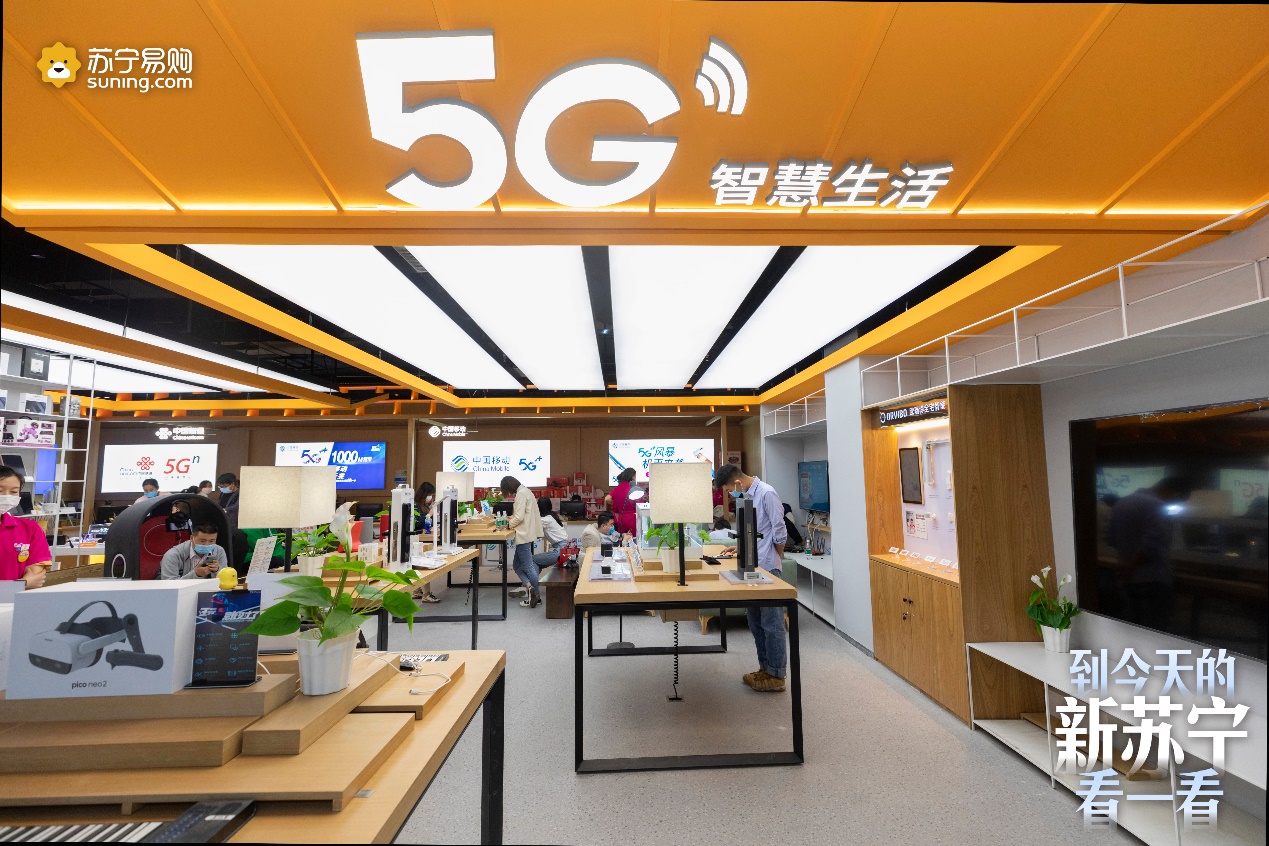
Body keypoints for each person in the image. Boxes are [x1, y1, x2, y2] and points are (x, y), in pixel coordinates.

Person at [714, 463, 788, 693]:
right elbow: (756, 532)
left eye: (729, 490)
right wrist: (740, 548)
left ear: (737, 483)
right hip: (751, 564)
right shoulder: (748, 496)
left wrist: (776, 555)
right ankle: (764, 668)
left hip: (767, 566)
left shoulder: (766, 493)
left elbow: (779, 530)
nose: (730, 494)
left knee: (772, 623)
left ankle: (776, 674)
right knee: (755, 621)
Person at [1105, 476, 1191, 631]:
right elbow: (1151, 545)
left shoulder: (1121, 503)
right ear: (1175, 494)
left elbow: (1110, 538)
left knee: (1133, 627)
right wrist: (1132, 566)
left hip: (1127, 578)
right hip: (1154, 579)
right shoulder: (1158, 506)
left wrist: (1126, 563)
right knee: (1155, 630)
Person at [0, 466, 51, 589]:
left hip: (18, 600)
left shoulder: (30, 529)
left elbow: (35, 575)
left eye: (14, 492)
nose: (6, 496)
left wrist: (23, 584)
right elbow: (28, 582)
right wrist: (23, 584)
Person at [502, 475, 543, 608]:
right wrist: (513, 518)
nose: (508, 493)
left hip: (523, 534)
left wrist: (509, 524)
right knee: (517, 565)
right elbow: (524, 515)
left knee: (528, 567)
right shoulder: (527, 491)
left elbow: (519, 517)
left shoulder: (521, 494)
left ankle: (536, 596)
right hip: (527, 533)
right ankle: (530, 587)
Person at [160, 522, 228, 579]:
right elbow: (170, 586)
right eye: (202, 541)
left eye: (211, 541)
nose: (207, 544)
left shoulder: (219, 551)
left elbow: (226, 580)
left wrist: (218, 570)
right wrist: (195, 574)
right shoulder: (173, 555)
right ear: (191, 538)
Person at [412, 481, 441, 603]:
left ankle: (417, 590)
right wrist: (429, 514)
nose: (431, 497)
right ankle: (426, 594)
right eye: (430, 494)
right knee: (423, 564)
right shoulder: (414, 506)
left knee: (420, 564)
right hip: (417, 539)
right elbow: (417, 523)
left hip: (424, 538)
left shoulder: (424, 505)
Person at [531, 496, 570, 573]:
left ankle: (533, 580)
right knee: (538, 561)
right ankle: (533, 580)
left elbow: (529, 524)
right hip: (566, 548)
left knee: (532, 560)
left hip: (561, 551)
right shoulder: (553, 516)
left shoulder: (545, 520)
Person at [610, 466, 638, 536]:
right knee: (634, 539)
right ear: (633, 476)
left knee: (623, 539)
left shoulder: (616, 489)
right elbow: (639, 505)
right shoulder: (633, 488)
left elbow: (614, 507)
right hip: (632, 518)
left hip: (621, 518)